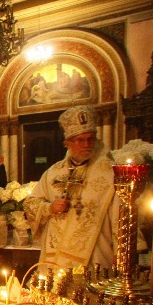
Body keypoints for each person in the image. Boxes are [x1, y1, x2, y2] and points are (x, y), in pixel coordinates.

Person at [23, 106, 117, 269]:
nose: (86, 144)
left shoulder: (110, 173)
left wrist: (120, 253)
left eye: (90, 138)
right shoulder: (53, 173)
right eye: (80, 140)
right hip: (55, 255)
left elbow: (119, 216)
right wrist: (49, 207)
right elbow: (30, 204)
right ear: (67, 143)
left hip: (94, 254)